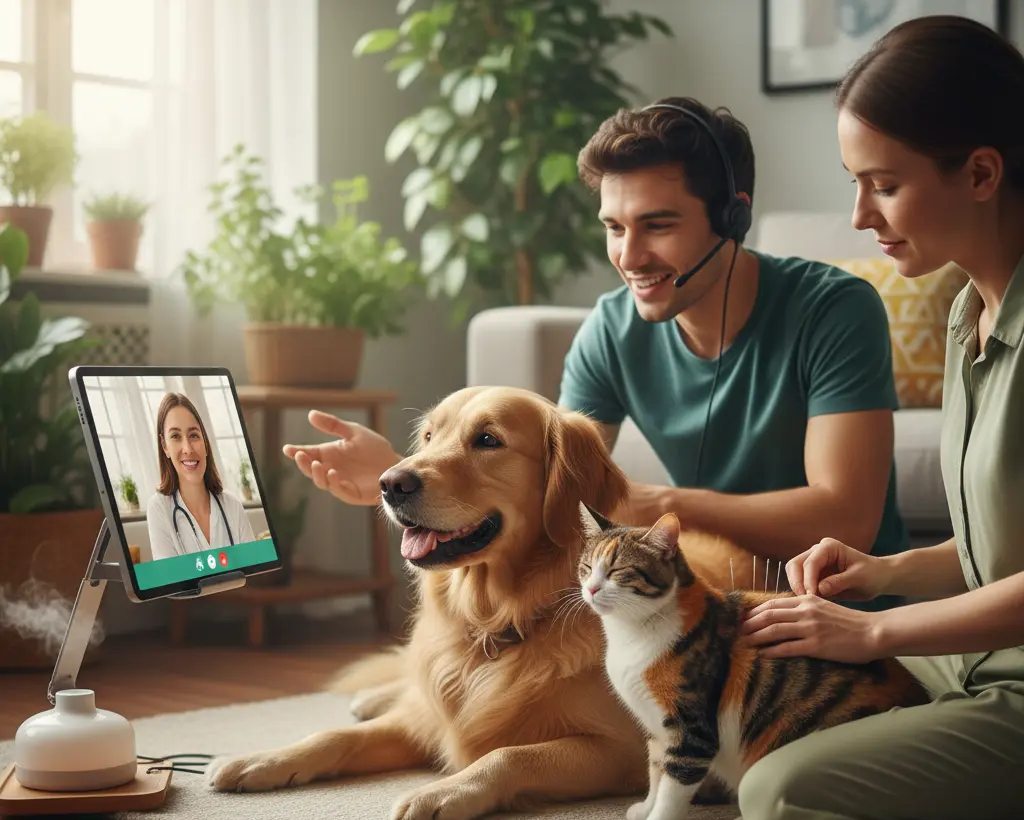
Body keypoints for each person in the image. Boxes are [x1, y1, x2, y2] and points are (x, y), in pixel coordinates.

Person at [282, 96, 908, 613]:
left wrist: (664, 505)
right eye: (614, 227)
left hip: (834, 606)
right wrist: (410, 481)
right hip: (692, 601)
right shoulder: (612, 327)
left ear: (733, 217)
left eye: (657, 226)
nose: (629, 258)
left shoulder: (834, 308)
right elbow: (553, 493)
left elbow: (846, 518)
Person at [738, 15, 1024, 820]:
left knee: (783, 801)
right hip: (977, 658)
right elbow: (995, 550)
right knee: (760, 692)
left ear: (979, 172)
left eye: (883, 185)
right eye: (854, 184)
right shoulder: (967, 314)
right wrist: (879, 574)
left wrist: (871, 636)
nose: (859, 215)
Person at [146, 392, 255, 560]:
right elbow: (171, 582)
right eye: (175, 436)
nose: (188, 448)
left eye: (194, 435)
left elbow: (254, 571)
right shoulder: (159, 508)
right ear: (164, 446)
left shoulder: (232, 505)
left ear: (204, 440)